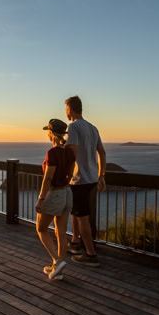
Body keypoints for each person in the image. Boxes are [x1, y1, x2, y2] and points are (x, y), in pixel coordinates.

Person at [64, 95, 107, 267]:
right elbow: (102, 152)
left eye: (66, 108)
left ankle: (90, 254)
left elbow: (72, 153)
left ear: (70, 109)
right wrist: (101, 175)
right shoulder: (92, 128)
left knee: (82, 217)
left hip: (79, 178)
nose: (66, 112)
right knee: (77, 212)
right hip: (91, 178)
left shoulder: (73, 126)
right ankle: (75, 243)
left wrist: (67, 175)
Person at [35, 118, 76, 280]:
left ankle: (57, 261)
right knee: (61, 232)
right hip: (67, 193)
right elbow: (71, 174)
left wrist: (41, 199)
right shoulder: (70, 152)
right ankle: (57, 269)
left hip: (55, 193)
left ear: (51, 133)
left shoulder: (52, 153)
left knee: (41, 229)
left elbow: (48, 178)